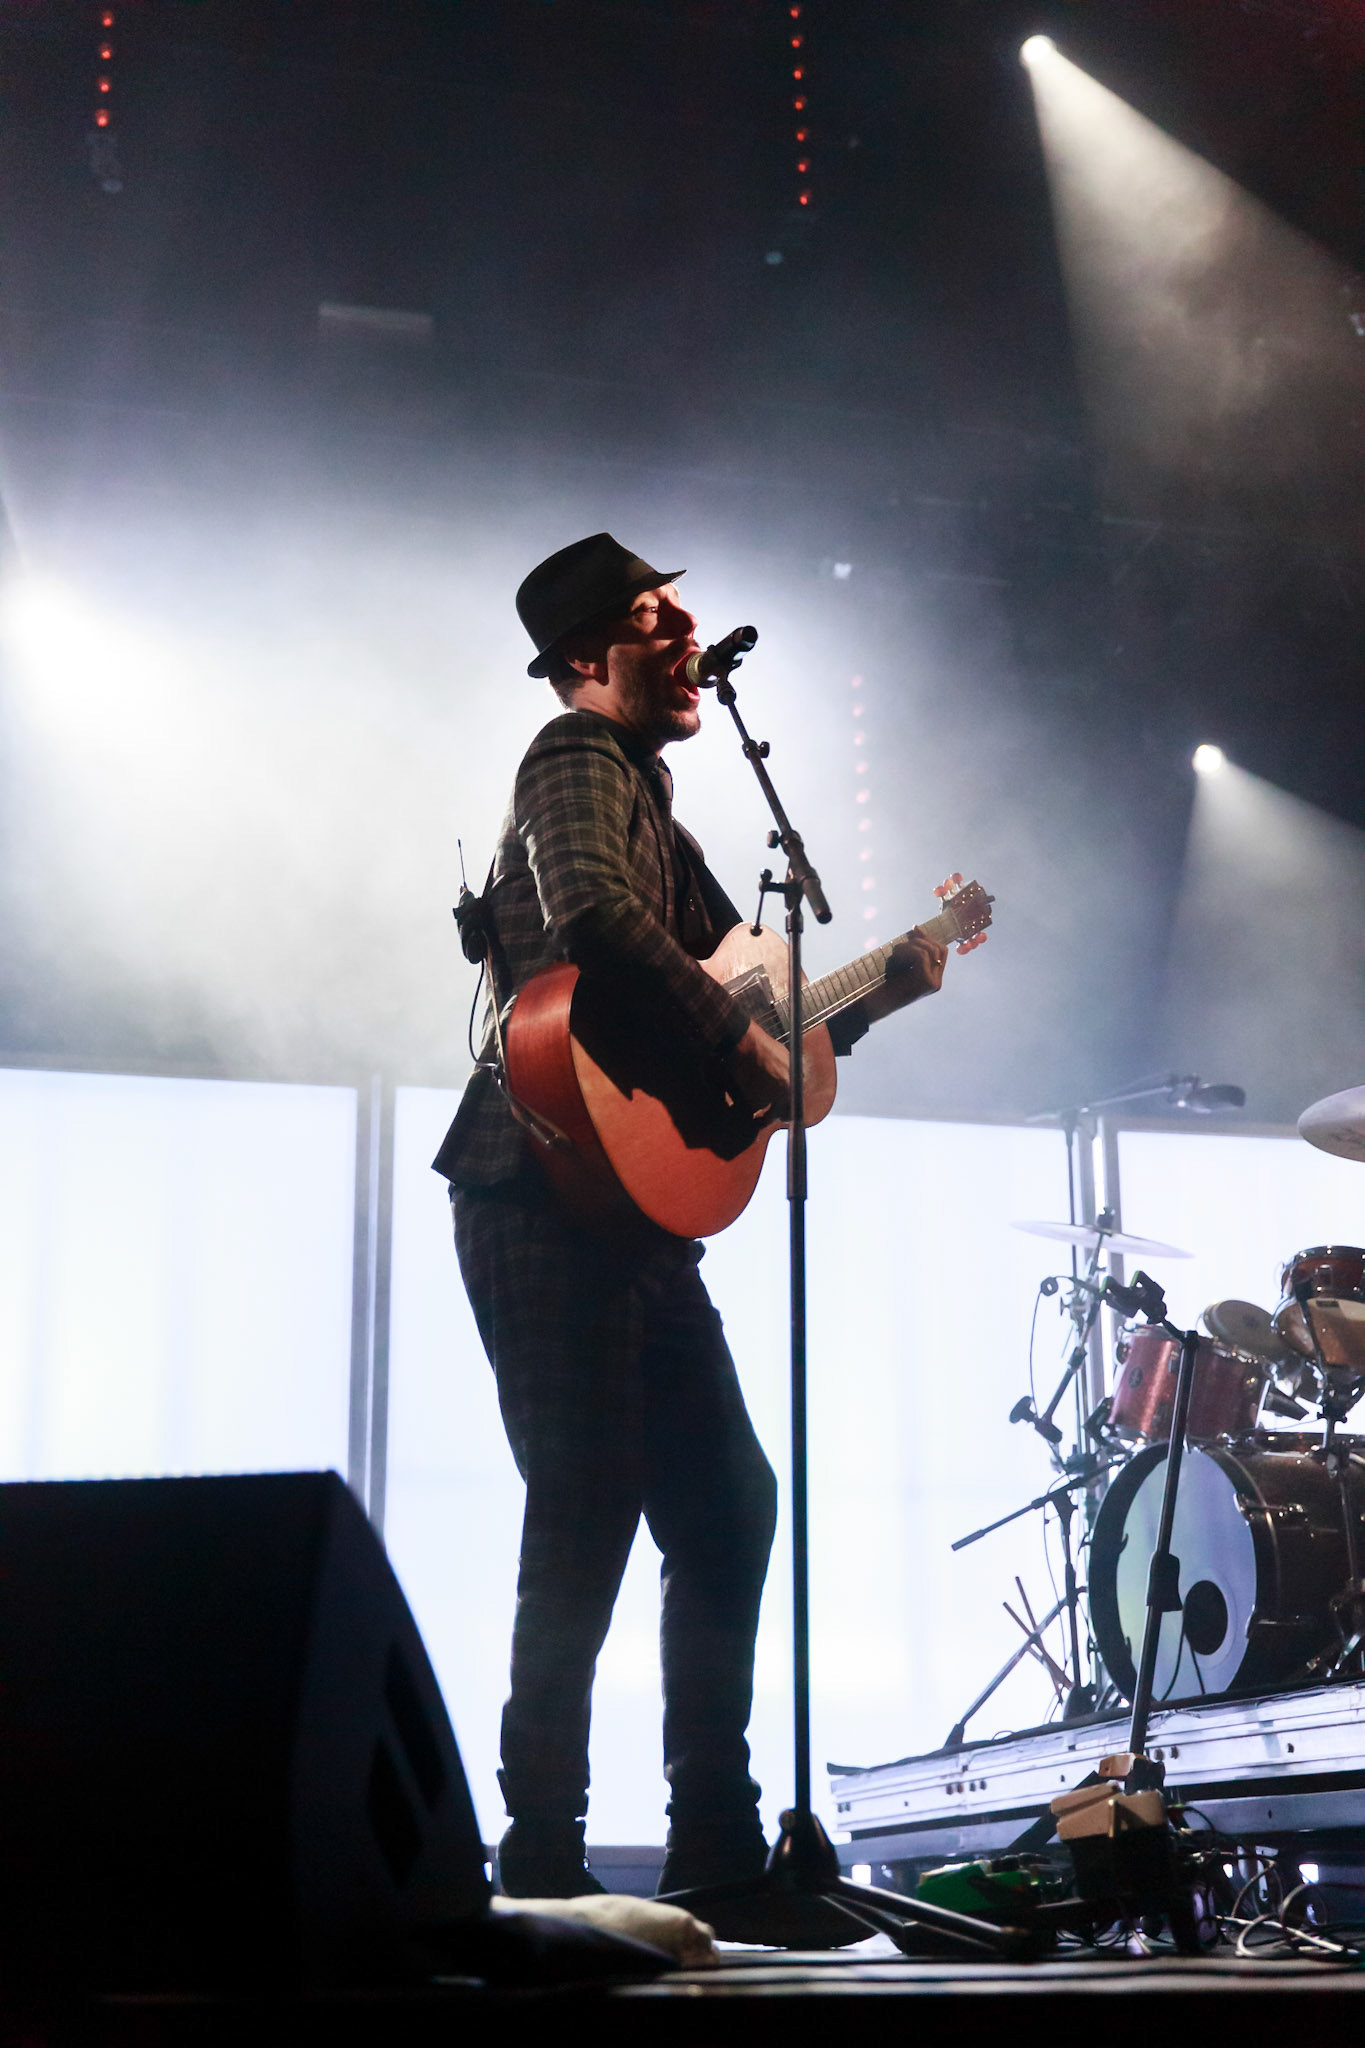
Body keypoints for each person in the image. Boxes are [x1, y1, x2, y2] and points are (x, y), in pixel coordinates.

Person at [432, 534, 946, 1899]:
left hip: (634, 1211)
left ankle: (712, 1846)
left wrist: (883, 985)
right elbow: (597, 915)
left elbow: (756, 1004)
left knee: (724, 1506)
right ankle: (539, 1856)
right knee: (588, 1503)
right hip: (540, 1178)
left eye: (684, 615)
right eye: (652, 621)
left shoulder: (670, 807)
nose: (683, 640)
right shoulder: (573, 758)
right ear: (581, 662)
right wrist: (738, 1038)